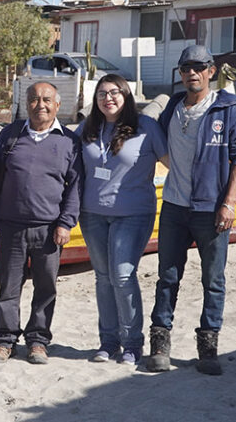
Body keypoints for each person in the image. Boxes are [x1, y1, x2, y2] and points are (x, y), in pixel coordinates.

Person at [147, 45, 236, 375]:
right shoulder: (173, 107)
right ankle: (160, 343)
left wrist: (229, 203)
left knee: (213, 280)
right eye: (185, 68)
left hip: (213, 209)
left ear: (211, 71)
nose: (192, 72)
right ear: (179, 74)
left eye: (199, 67)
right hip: (175, 206)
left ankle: (208, 348)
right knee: (167, 277)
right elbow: (151, 139)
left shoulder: (228, 108)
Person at [0, 81, 82, 365]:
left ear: (58, 105)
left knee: (45, 287)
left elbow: (75, 186)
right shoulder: (10, 135)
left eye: (47, 99)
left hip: (50, 229)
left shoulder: (69, 141)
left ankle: (38, 341)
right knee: (8, 287)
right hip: (10, 226)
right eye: (35, 99)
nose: (41, 104)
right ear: (26, 104)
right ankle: (5, 340)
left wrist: (66, 223)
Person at [76, 75, 168, 366]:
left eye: (115, 92)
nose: (108, 98)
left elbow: (174, 164)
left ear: (126, 96)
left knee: (122, 275)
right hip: (92, 214)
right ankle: (109, 342)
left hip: (133, 213)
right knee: (103, 278)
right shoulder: (88, 128)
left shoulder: (146, 128)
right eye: (102, 93)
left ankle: (132, 344)